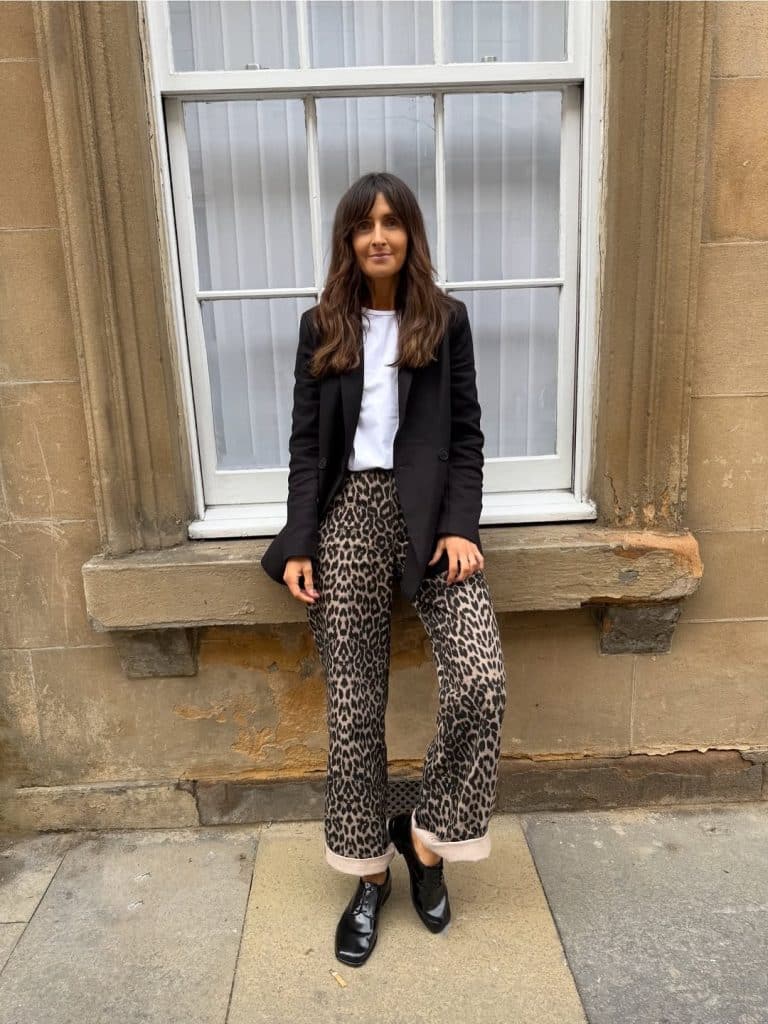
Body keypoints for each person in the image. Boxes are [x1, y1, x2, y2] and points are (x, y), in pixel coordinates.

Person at [260, 171, 507, 967]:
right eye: (364, 224)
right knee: (355, 713)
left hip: (433, 516)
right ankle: (369, 876)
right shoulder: (320, 325)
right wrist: (301, 539)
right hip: (349, 518)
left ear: (410, 235)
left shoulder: (444, 320)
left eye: (392, 222)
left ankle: (426, 840)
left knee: (482, 682)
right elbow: (306, 447)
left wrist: (463, 526)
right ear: (347, 239)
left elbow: (465, 435)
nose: (378, 236)